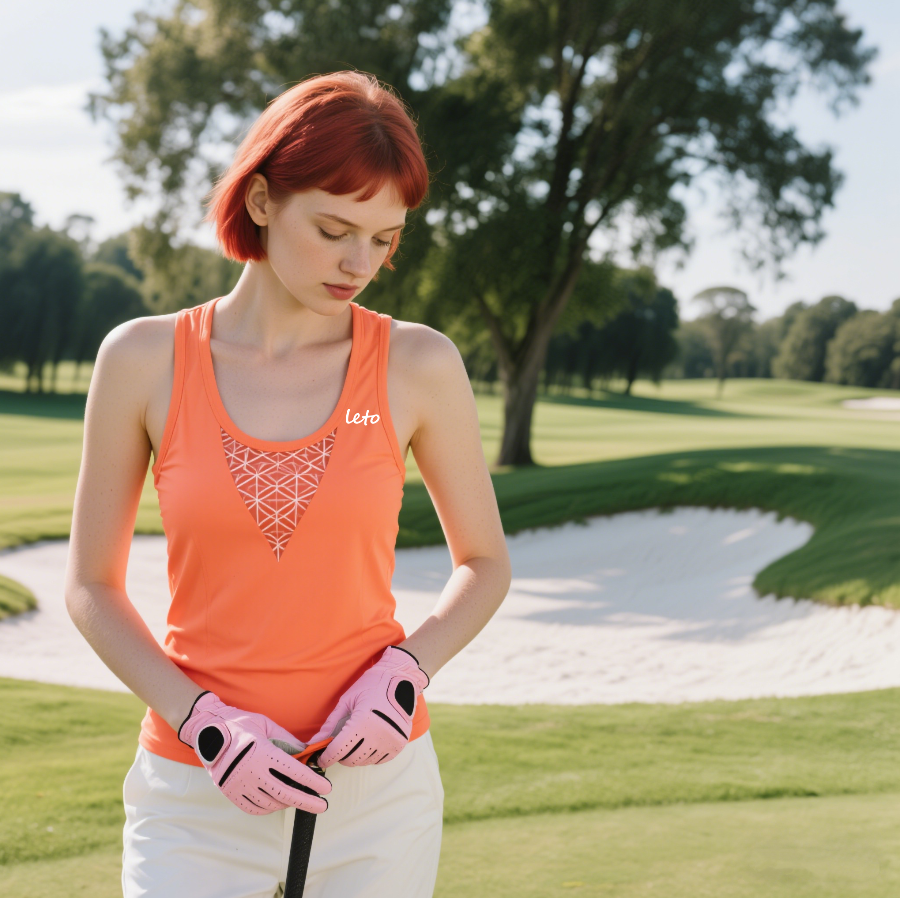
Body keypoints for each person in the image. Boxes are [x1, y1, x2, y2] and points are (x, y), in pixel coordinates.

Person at [64, 69, 512, 898]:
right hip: (196, 791)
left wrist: (407, 671)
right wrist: (206, 727)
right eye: (335, 228)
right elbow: (91, 587)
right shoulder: (141, 360)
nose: (358, 262)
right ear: (263, 201)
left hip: (376, 792)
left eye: (384, 239)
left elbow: (484, 562)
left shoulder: (418, 365)